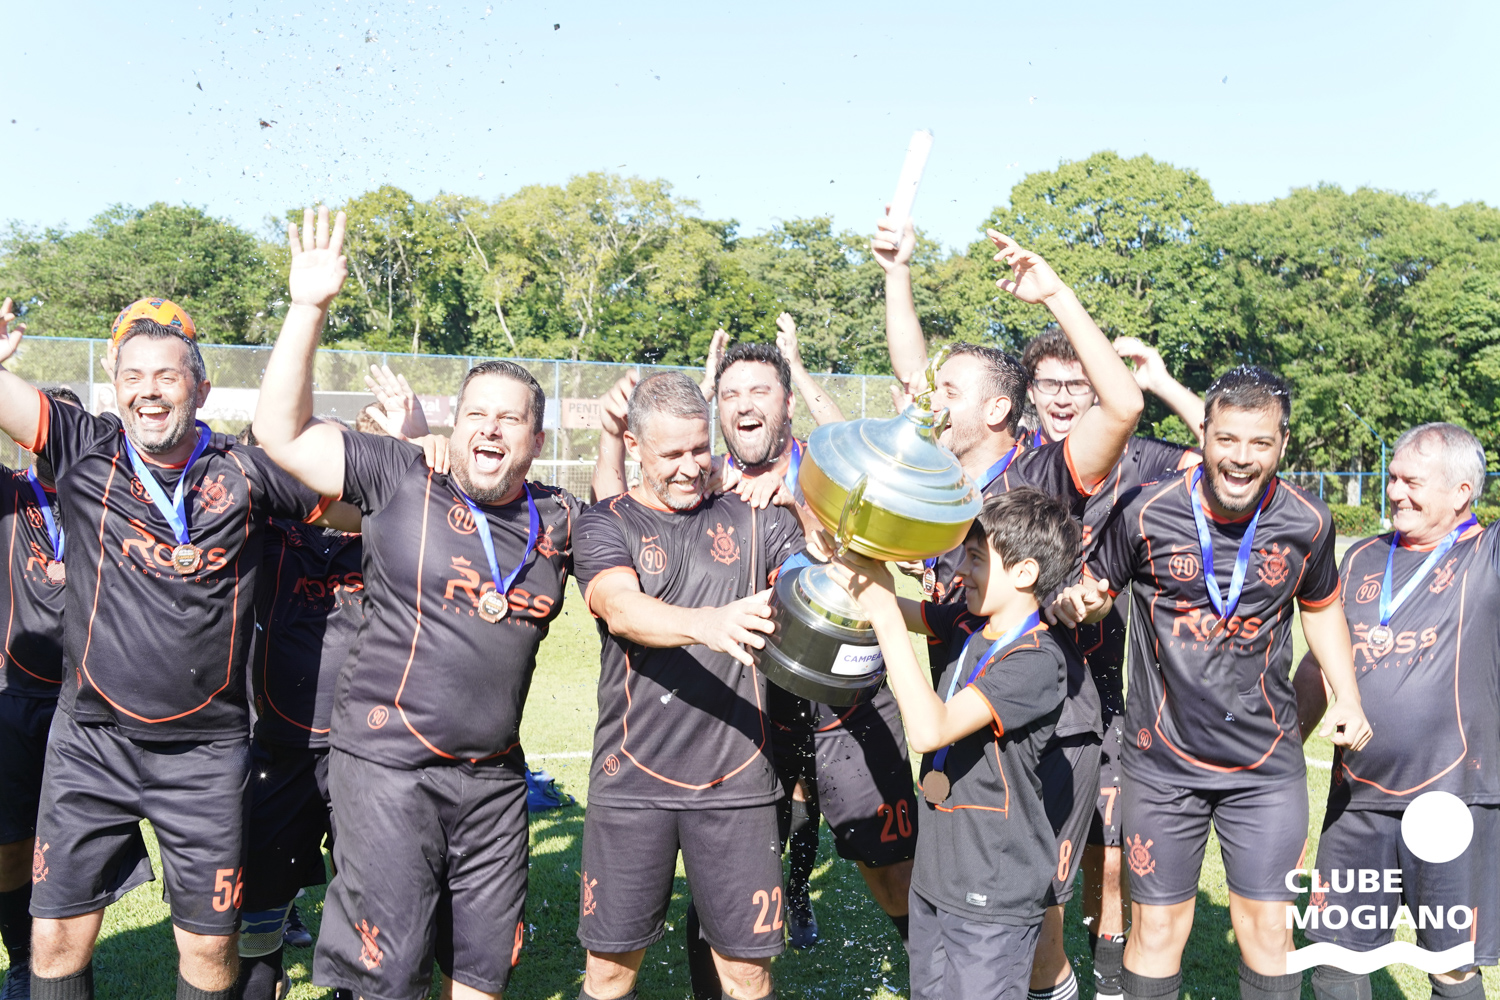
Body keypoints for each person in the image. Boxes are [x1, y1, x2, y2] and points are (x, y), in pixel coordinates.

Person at [253, 208, 579, 1000]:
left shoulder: (561, 518)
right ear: (453, 426)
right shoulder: (402, 476)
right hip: (389, 770)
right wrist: (308, 309)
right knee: (387, 980)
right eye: (477, 415)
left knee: (482, 974)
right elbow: (279, 431)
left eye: (511, 419)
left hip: (493, 784)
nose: (491, 429)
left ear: (536, 441)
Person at [0, 295, 352, 1000]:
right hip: (90, 744)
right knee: (56, 938)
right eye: (132, 375)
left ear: (202, 388)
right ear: (114, 385)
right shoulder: (84, 447)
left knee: (209, 949)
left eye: (166, 375)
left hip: (206, 756)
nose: (149, 390)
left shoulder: (246, 471)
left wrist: (428, 457)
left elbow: (365, 505)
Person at [875, 215, 1142, 1000]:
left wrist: (1054, 294)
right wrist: (897, 272)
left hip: (1045, 723)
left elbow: (1122, 405)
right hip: (962, 706)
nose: (928, 401)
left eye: (949, 393)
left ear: (995, 412)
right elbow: (912, 373)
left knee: (1031, 922)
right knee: (980, 909)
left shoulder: (1040, 477)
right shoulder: (941, 484)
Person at [1053, 365, 1374, 1000]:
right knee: (1156, 931)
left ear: (1283, 442)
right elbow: (1096, 589)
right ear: (1203, 433)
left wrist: (1349, 695)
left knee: (1269, 932)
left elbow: (1322, 608)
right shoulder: (1145, 509)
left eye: (1260, 442)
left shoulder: (1309, 520)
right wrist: (1084, 602)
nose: (1241, 458)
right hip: (1161, 765)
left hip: (1264, 768)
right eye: (1227, 439)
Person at [573, 370, 803, 1000]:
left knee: (747, 975)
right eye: (671, 453)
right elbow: (621, 608)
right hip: (631, 779)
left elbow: (817, 584)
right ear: (634, 446)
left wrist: (799, 504)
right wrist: (710, 624)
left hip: (739, 781)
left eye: (700, 449)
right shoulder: (604, 522)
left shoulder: (753, 514)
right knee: (609, 973)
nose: (690, 467)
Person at [826, 487, 1085, 1000]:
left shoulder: (1037, 659)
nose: (960, 572)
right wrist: (854, 553)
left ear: (1025, 573)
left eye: (975, 559)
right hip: (936, 875)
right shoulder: (969, 622)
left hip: (992, 886)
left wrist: (884, 615)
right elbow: (887, 599)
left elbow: (930, 730)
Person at [1018, 328, 1204, 1000]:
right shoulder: (1017, 460)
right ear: (1029, 391)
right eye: (1050, 384)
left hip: (1110, 683)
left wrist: (1161, 384)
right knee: (1036, 844)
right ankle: (1043, 970)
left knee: (1114, 845)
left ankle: (1108, 971)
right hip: (1023, 683)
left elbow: (1230, 454)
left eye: (1079, 384)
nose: (1064, 398)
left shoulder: (1143, 457)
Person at [236, 367, 425, 1000]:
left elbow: (431, 499)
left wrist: (411, 440)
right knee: (259, 900)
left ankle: (355, 986)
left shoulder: (386, 527)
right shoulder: (264, 528)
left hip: (367, 750)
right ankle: (262, 980)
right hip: (280, 745)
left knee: (370, 892)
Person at [1292, 423, 1493, 1000]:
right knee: (1334, 960)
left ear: (1461, 492)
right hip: (1357, 800)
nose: (1395, 492)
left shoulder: (1489, 555)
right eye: (1393, 477)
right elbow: (1320, 663)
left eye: (1412, 482)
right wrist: (1281, 759)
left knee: (1451, 966)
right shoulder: (1361, 556)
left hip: (1451, 801)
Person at [0, 386, 80, 1000]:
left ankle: (66, 960)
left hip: (87, 704)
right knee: (10, 845)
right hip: (14, 696)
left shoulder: (110, 498)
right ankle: (22, 960)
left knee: (72, 846)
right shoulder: (11, 493)